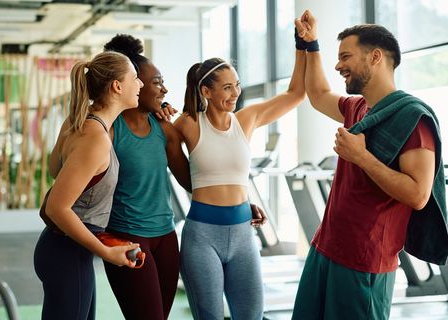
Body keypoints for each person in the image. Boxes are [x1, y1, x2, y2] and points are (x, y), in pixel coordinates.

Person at [292, 10, 446, 320]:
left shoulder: (413, 119)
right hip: (326, 246)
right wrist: (310, 45)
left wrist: (361, 157)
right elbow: (318, 94)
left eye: (346, 56)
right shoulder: (357, 107)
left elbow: (418, 195)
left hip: (365, 261)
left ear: (375, 57)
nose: (338, 66)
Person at [173, 28, 306, 319]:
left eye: (237, 85)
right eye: (227, 87)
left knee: (251, 315)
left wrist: (304, 44)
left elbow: (296, 93)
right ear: (206, 91)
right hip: (201, 236)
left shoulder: (246, 119)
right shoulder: (187, 124)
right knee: (209, 315)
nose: (236, 93)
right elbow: (176, 166)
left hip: (244, 235)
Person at [33, 50, 144, 320]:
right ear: (117, 86)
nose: (140, 84)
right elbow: (57, 208)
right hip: (68, 253)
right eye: (135, 78)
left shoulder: (77, 122)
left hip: (64, 251)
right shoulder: (96, 137)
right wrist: (106, 252)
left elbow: (53, 169)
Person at [100, 34, 191, 320]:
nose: (164, 89)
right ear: (135, 84)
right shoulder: (109, 130)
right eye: (157, 82)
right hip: (127, 237)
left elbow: (191, 181)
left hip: (165, 237)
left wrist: (240, 202)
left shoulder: (164, 129)